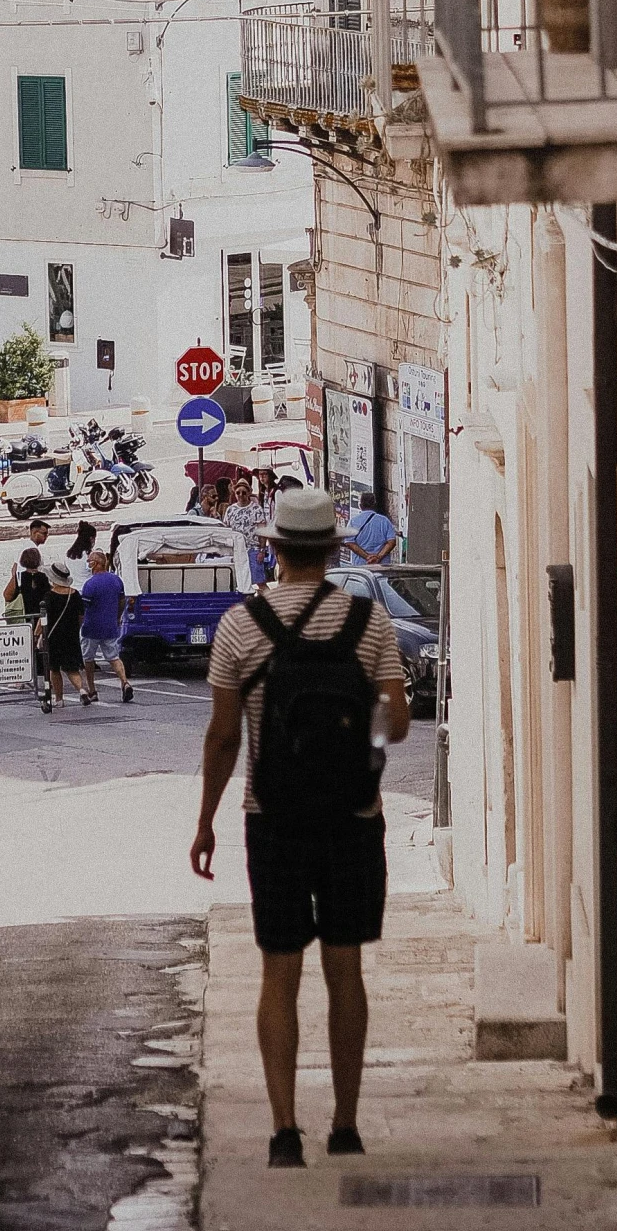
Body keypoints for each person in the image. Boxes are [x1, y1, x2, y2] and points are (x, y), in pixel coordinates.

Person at [191, 485, 409, 1169]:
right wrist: (357, 739)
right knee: (346, 971)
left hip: (273, 818)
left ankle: (285, 1129)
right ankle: (345, 1123)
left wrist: (206, 822)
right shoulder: (368, 624)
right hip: (353, 818)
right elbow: (398, 722)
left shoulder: (238, 626)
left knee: (277, 973)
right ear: (331, 552)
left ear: (275, 549)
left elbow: (225, 736)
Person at [79, 548, 132, 704]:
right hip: (110, 625)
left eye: (89, 561)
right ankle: (125, 682)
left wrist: (79, 624)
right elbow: (122, 601)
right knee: (114, 657)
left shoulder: (89, 585)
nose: (88, 564)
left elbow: (84, 609)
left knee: (88, 659)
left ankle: (92, 690)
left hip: (92, 627)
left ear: (95, 563)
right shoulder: (116, 580)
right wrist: (117, 617)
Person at [38, 561, 87, 711]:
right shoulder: (75, 594)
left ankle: (59, 699)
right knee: (72, 668)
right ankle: (82, 690)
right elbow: (81, 616)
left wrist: (36, 634)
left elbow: (42, 619)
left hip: (54, 636)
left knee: (55, 668)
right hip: (71, 635)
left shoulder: (49, 596)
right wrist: (75, 628)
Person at [343, 489, 399, 567]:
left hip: (361, 566)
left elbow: (349, 542)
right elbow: (391, 542)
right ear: (374, 504)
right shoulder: (384, 521)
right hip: (382, 566)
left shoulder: (353, 521)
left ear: (360, 505)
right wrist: (378, 557)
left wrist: (367, 557)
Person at [5, 545, 50, 624]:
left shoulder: (19, 577)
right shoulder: (45, 577)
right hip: (42, 618)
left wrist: (13, 575)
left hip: (23, 617)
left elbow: (7, 596)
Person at [67, 521, 99, 589]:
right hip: (87, 589)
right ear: (91, 539)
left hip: (73, 588)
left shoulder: (68, 555)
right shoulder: (90, 555)